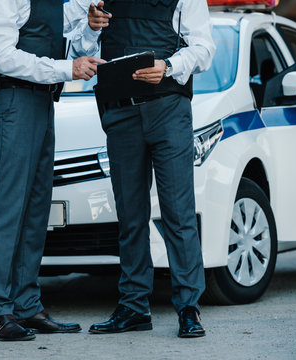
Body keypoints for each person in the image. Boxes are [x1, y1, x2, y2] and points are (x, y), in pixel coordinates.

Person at [0, 0, 109, 341]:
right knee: (6, 207)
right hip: (13, 101)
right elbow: (2, 56)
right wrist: (67, 69)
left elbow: (61, 35)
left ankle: (26, 306)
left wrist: (90, 25)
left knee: (35, 208)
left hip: (41, 100)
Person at [87, 0, 215, 338]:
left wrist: (169, 65)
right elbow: (83, 50)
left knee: (178, 212)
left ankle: (189, 307)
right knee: (130, 215)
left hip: (167, 109)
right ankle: (133, 307)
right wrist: (90, 26)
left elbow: (204, 49)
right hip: (120, 113)